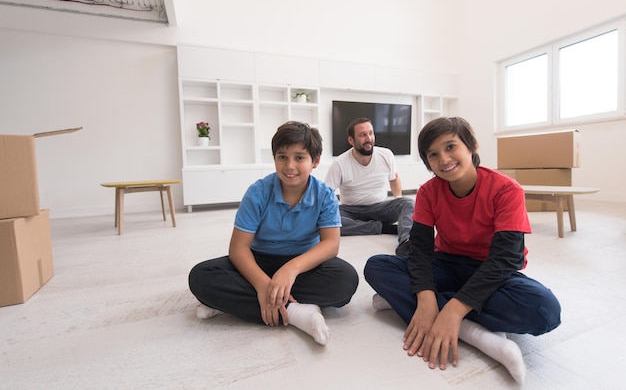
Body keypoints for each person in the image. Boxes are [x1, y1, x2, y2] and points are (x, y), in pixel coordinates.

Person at [363, 117, 561, 383]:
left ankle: (429, 309)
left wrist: (454, 308)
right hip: (446, 263)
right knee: (377, 266)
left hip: (491, 272)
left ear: (472, 146)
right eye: (433, 154)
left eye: (450, 147)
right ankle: (473, 332)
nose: (443, 159)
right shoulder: (428, 192)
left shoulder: (506, 190)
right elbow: (420, 250)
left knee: (544, 311)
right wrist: (425, 296)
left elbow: (505, 260)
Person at [188, 121, 359, 345]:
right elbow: (238, 248)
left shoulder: (324, 195)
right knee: (201, 276)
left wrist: (291, 269)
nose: (289, 166)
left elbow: (330, 245)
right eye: (282, 157)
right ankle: (297, 313)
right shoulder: (258, 192)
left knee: (346, 282)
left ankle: (232, 304)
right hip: (259, 260)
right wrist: (262, 285)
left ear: (315, 161)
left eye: (299, 157)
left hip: (302, 264)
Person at [324, 117, 414, 256]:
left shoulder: (386, 155)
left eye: (371, 133)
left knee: (408, 203)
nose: (369, 138)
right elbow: (326, 193)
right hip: (350, 211)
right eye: (362, 135)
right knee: (324, 217)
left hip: (380, 208)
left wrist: (398, 199)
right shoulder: (339, 163)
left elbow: (394, 178)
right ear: (351, 140)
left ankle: (406, 240)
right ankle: (382, 228)